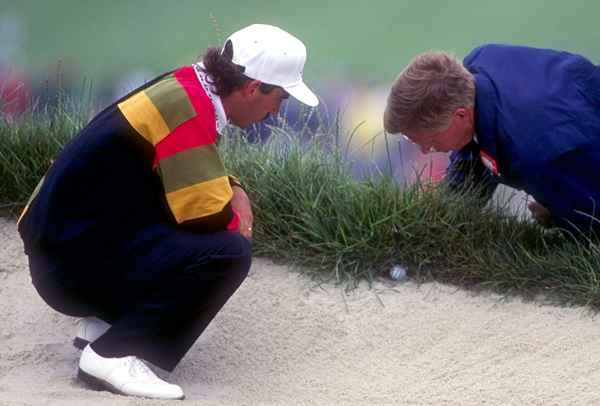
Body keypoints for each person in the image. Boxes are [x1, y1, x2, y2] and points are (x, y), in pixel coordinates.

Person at [17, 24, 318, 400]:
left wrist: (234, 187)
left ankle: (106, 324)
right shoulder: (190, 108)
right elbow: (206, 216)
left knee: (182, 220)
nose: (276, 112)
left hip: (62, 251)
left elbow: (181, 174)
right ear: (254, 87)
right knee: (227, 252)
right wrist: (238, 215)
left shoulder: (187, 86)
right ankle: (114, 352)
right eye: (281, 98)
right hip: (66, 271)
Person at [383, 44, 600, 236]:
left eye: (428, 141)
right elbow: (476, 150)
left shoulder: (533, 153)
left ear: (460, 116)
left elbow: (591, 216)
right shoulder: (475, 68)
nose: (424, 150)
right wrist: (443, 216)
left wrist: (560, 213)